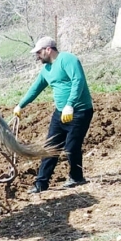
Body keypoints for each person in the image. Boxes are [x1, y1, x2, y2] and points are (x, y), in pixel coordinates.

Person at [13, 36, 94, 193]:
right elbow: (35, 88)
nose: (37, 56)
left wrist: (70, 105)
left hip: (80, 111)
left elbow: (78, 81)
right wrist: (20, 105)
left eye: (38, 52)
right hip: (60, 113)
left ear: (48, 49)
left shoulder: (67, 59)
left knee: (72, 147)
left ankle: (77, 177)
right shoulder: (46, 70)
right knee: (50, 147)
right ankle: (41, 183)